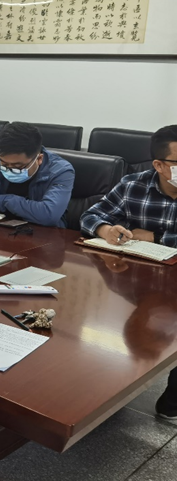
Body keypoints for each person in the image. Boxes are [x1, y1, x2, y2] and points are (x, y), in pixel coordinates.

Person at [79, 125, 177, 421]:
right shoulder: (134, 184)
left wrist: (156, 237)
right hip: (144, 280)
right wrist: (106, 230)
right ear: (159, 165)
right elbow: (90, 215)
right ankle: (107, 389)